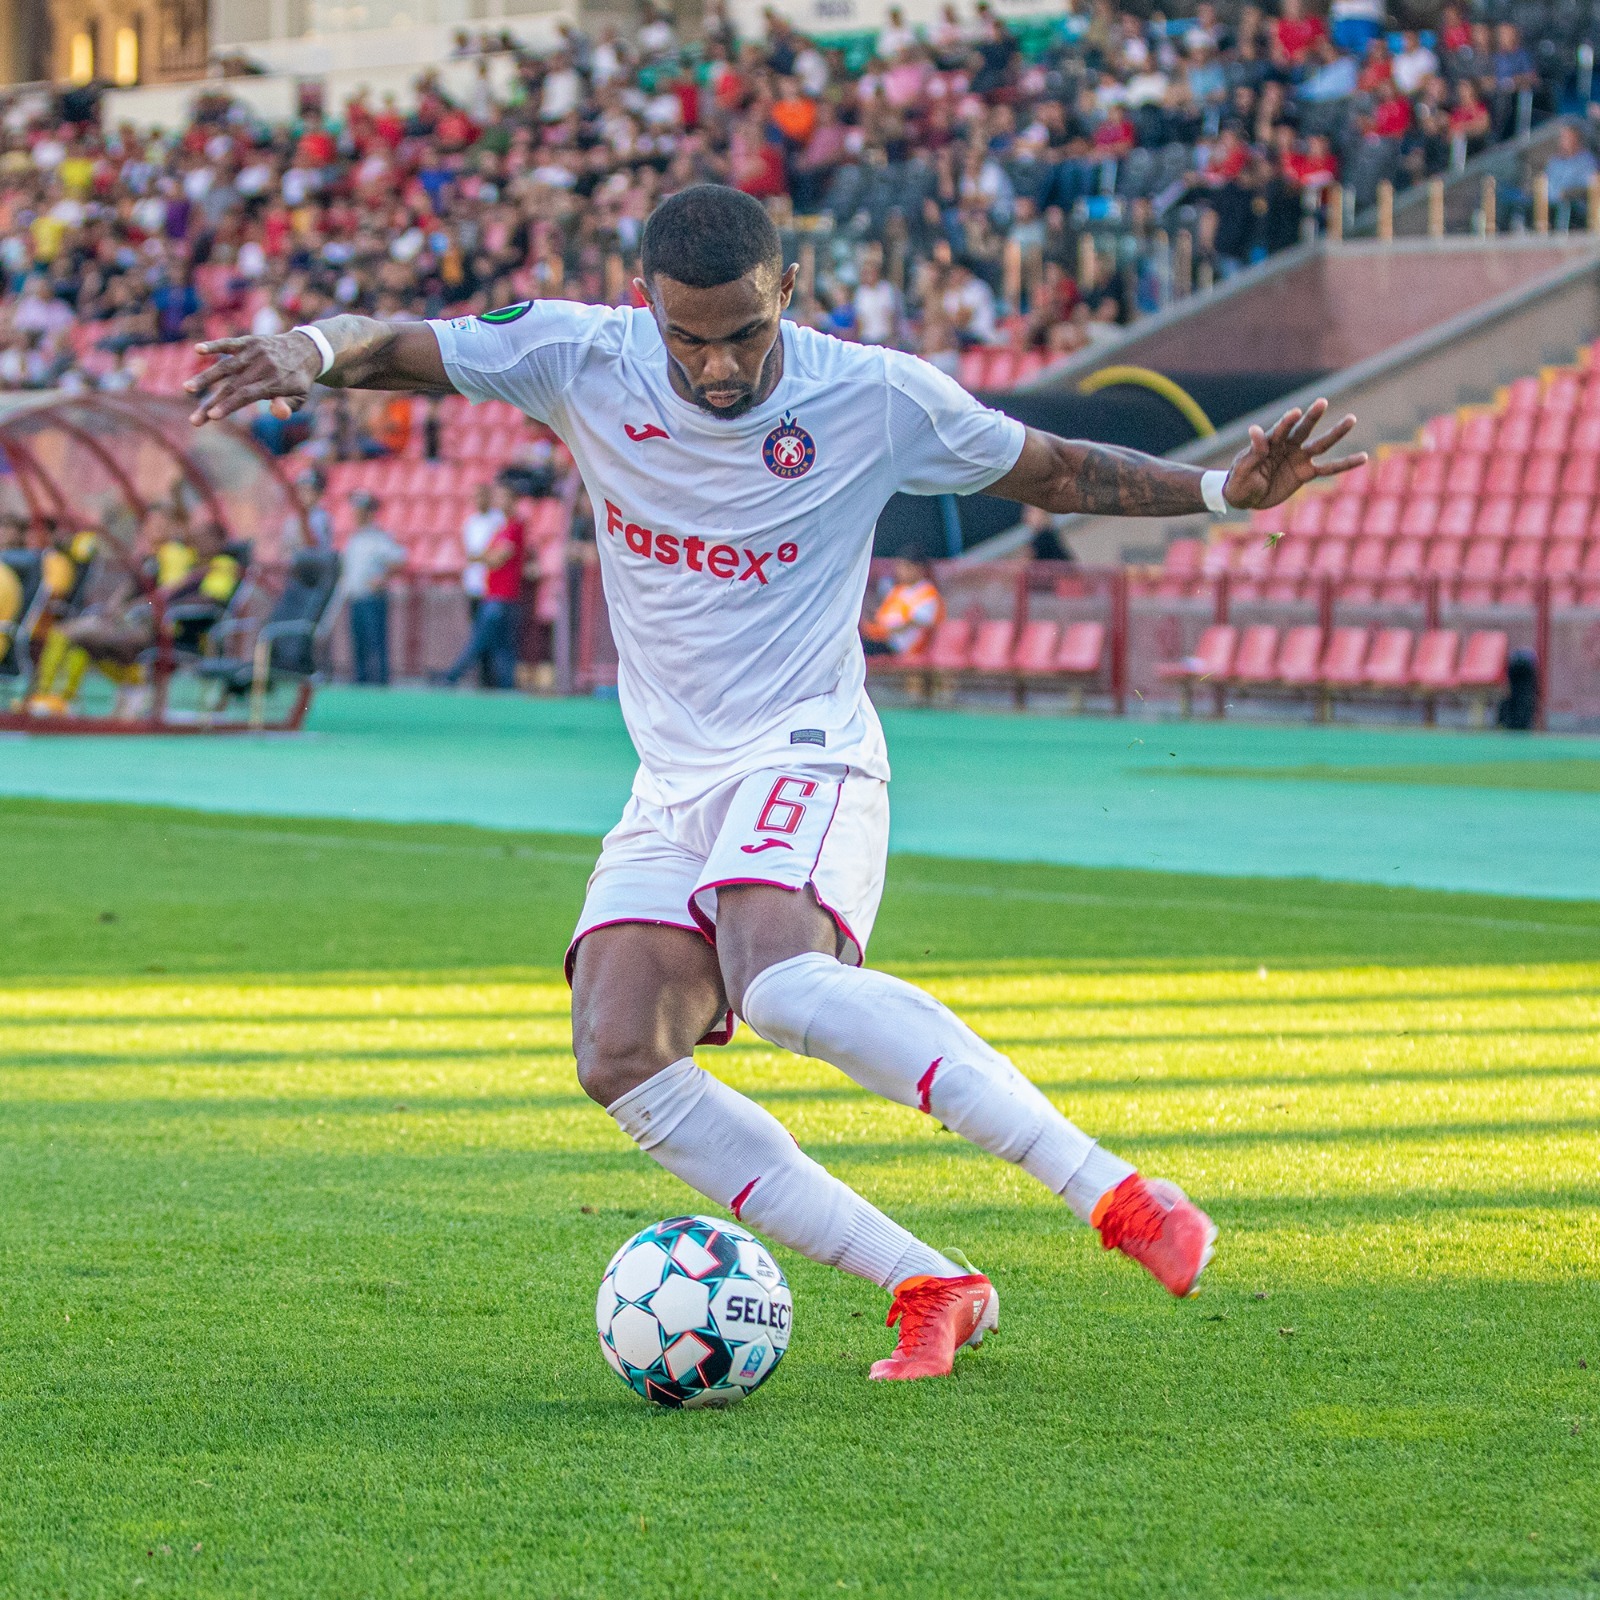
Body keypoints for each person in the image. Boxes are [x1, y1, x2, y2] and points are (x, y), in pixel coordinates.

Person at [186, 184, 1365, 1384]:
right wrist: (309, 349)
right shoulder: (579, 354)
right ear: (644, 305)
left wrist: (1224, 492)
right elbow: (407, 348)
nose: (714, 366)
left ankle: (1117, 1196)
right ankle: (930, 1281)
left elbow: (1055, 468)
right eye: (687, 337)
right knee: (616, 1050)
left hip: (808, 743)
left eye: (743, 334)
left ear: (786, 294)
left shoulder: (869, 394)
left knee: (784, 983)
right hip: (672, 779)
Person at [440, 483, 525, 690]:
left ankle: (452, 676)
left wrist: (479, 557)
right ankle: (506, 686)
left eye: (503, 497)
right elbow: (492, 555)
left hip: (501, 595)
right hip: (493, 592)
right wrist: (486, 556)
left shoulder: (513, 527)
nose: (498, 501)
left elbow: (498, 557)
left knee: (480, 640)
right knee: (502, 646)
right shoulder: (502, 527)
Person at [341, 490, 407, 686]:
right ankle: (360, 680)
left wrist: (382, 578)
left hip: (372, 598)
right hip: (356, 597)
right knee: (358, 644)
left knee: (376, 643)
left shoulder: (378, 537)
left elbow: (398, 560)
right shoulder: (355, 538)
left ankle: (380, 682)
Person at [860, 556, 943, 656]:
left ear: (919, 569)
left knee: (863, 647)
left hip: (905, 646)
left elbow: (922, 621)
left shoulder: (928, 592)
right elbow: (882, 616)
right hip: (884, 639)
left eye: (904, 567)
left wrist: (888, 629)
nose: (899, 571)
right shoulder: (898, 590)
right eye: (898, 566)